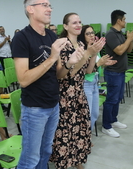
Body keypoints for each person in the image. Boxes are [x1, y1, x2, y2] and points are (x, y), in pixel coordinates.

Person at [12, 0, 84, 169]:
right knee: (30, 158)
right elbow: (23, 80)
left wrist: (69, 63)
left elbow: (58, 75)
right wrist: (52, 58)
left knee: (45, 152)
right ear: (30, 9)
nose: (50, 9)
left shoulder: (51, 37)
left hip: (53, 104)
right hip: (34, 108)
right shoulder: (22, 38)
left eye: (50, 5)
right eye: (44, 5)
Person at [50, 13, 105, 169]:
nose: (78, 25)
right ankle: (64, 163)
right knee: (65, 132)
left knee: (79, 130)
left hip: (79, 94)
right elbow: (64, 75)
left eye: (80, 22)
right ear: (65, 26)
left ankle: (77, 161)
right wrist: (87, 53)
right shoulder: (61, 44)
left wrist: (93, 53)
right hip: (66, 95)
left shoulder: (80, 44)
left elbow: (88, 71)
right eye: (74, 22)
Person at [102, 10, 133, 138]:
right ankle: (106, 126)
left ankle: (113, 120)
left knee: (117, 98)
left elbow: (128, 49)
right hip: (113, 72)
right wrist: (128, 39)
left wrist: (131, 39)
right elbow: (119, 51)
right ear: (118, 20)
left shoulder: (120, 33)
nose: (125, 21)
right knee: (111, 99)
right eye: (124, 19)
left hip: (121, 71)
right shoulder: (110, 34)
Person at [78, 25, 117, 131]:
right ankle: (84, 140)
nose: (91, 35)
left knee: (94, 114)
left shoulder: (95, 48)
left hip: (95, 83)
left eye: (92, 33)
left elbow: (97, 65)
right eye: (88, 33)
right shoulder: (82, 50)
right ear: (82, 35)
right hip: (86, 83)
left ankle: (87, 137)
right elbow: (85, 70)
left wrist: (104, 63)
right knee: (87, 114)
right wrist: (99, 63)